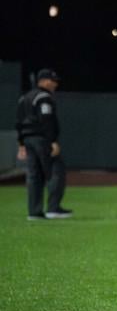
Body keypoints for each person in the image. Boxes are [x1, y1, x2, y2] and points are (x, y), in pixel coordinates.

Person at [15, 68, 72, 220]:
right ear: (45, 81)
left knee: (34, 175)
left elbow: (19, 122)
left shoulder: (24, 97)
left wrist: (21, 143)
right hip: (42, 139)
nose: (55, 84)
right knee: (55, 171)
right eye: (53, 81)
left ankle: (34, 212)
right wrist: (52, 140)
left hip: (27, 140)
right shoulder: (43, 97)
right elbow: (46, 121)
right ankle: (53, 208)